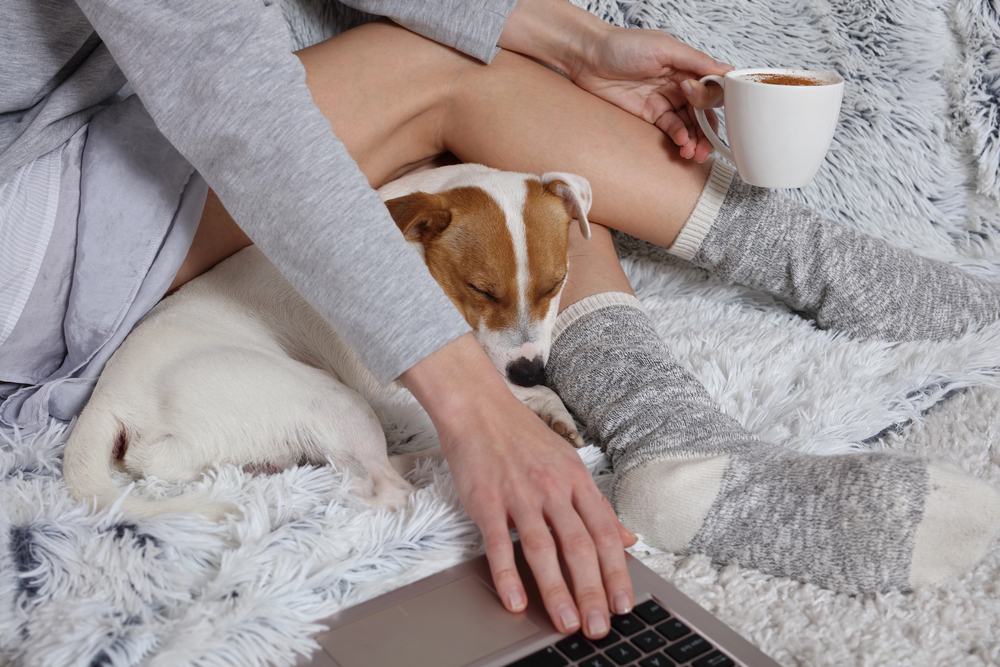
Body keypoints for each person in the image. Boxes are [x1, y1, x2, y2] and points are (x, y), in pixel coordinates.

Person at [3, 0, 999, 644]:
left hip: (67, 137)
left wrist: (577, 42)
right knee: (446, 79)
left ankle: (693, 417)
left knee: (490, 93)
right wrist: (478, 409)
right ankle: (688, 423)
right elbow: (234, 98)